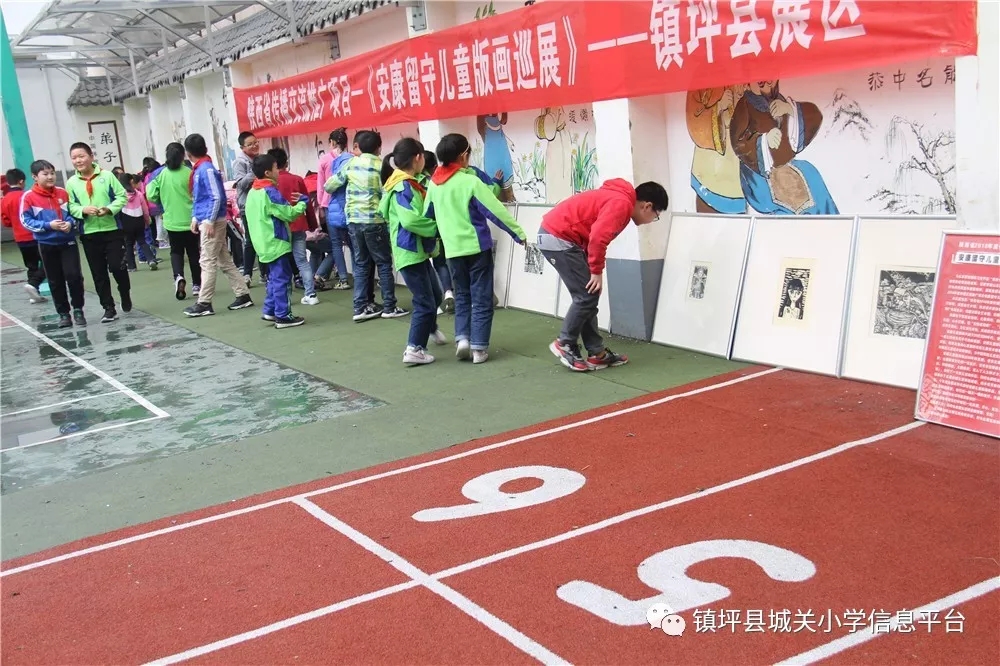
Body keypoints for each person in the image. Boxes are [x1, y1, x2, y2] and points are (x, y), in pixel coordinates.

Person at [539, 179, 669, 371]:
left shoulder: (619, 199)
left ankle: (596, 353)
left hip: (561, 236)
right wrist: (596, 271)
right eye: (656, 216)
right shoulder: (621, 204)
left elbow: (591, 231)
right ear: (647, 206)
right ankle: (564, 343)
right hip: (559, 236)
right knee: (586, 295)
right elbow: (598, 238)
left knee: (589, 294)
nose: (652, 221)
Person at [423, 133, 526, 364]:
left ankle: (462, 338)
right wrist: (518, 233)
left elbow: (427, 215)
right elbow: (495, 210)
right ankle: (479, 349)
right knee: (481, 298)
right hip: (477, 248)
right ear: (463, 156)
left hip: (452, 251)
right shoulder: (471, 182)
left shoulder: (434, 185)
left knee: (462, 295)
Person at [325, 129, 408, 322]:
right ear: (379, 148)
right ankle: (389, 306)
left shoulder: (350, 163)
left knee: (361, 264)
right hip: (375, 221)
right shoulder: (382, 166)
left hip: (354, 221)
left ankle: (361, 307)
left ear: (357, 146)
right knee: (384, 264)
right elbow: (387, 193)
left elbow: (329, 186)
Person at [379, 138, 449, 365]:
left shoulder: (406, 183)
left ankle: (429, 328)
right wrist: (437, 228)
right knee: (424, 302)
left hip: (416, 251)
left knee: (435, 296)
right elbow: (409, 220)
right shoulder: (403, 186)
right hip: (409, 251)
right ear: (418, 157)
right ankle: (414, 348)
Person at [182, 133, 253, 317]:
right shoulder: (203, 168)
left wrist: (208, 220)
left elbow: (215, 197)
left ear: (188, 153)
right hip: (210, 219)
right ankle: (242, 294)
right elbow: (203, 198)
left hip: (212, 221)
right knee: (223, 260)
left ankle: (204, 302)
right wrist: (196, 218)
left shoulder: (204, 169)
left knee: (207, 261)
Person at [65, 142, 130, 323]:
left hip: (112, 230)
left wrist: (109, 209)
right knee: (98, 272)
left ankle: (124, 292)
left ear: (91, 157)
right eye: (74, 158)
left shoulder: (107, 176)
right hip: (89, 233)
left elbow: (122, 196)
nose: (78, 160)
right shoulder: (71, 183)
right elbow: (70, 206)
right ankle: (108, 308)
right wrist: (83, 210)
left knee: (117, 267)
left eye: (81, 156)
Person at [244, 153, 308, 328]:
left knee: (274, 279)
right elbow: (289, 213)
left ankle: (270, 310)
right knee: (282, 280)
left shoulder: (253, 191)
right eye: (275, 168)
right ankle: (283, 315)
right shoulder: (270, 192)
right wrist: (303, 203)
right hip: (276, 242)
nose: (278, 171)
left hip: (262, 242)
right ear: (267, 172)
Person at [20, 159, 86, 328]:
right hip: (46, 244)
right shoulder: (28, 197)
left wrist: (70, 223)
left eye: (52, 173)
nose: (50, 177)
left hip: (68, 242)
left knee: (74, 276)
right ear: (35, 177)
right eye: (45, 174)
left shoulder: (63, 193)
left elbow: (74, 213)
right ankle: (63, 314)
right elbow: (25, 221)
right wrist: (49, 225)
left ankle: (78, 310)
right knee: (55, 280)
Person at [146, 142, 199, 300]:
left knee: (176, 251)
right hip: (190, 220)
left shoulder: (160, 174)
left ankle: (178, 276)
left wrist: (162, 202)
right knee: (193, 252)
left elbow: (150, 195)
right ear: (183, 155)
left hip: (171, 220)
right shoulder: (189, 172)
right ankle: (197, 284)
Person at [267, 147, 320, 306]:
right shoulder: (296, 179)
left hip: (279, 228)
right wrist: (312, 225)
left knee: (281, 264)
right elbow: (307, 204)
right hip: (298, 224)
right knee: (302, 260)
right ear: (286, 162)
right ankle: (310, 294)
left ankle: (285, 298)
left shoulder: (269, 185)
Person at [1, 168, 47, 304]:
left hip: (20, 238)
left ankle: (34, 294)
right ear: (21, 181)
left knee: (31, 265)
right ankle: (34, 284)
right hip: (35, 235)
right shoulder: (27, 196)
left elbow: (6, 222)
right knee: (48, 262)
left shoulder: (4, 200)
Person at [320, 128, 355, 291]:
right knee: (354, 243)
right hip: (349, 204)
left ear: (332, 142)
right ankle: (359, 276)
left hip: (330, 205)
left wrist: (321, 205)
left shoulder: (325, 159)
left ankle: (343, 278)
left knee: (336, 244)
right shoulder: (352, 158)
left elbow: (322, 186)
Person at [231, 131, 266, 285]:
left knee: (263, 239)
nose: (254, 146)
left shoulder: (260, 158)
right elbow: (241, 184)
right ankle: (247, 274)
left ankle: (265, 274)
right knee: (251, 241)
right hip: (247, 206)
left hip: (262, 204)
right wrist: (255, 171)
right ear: (242, 147)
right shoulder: (240, 162)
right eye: (250, 144)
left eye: (256, 142)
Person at [117, 173, 159, 272]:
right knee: (142, 241)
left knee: (129, 244)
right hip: (139, 219)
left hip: (126, 221)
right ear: (131, 181)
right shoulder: (138, 194)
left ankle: (132, 266)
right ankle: (151, 259)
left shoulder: (120, 195)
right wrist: (147, 220)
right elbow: (145, 209)